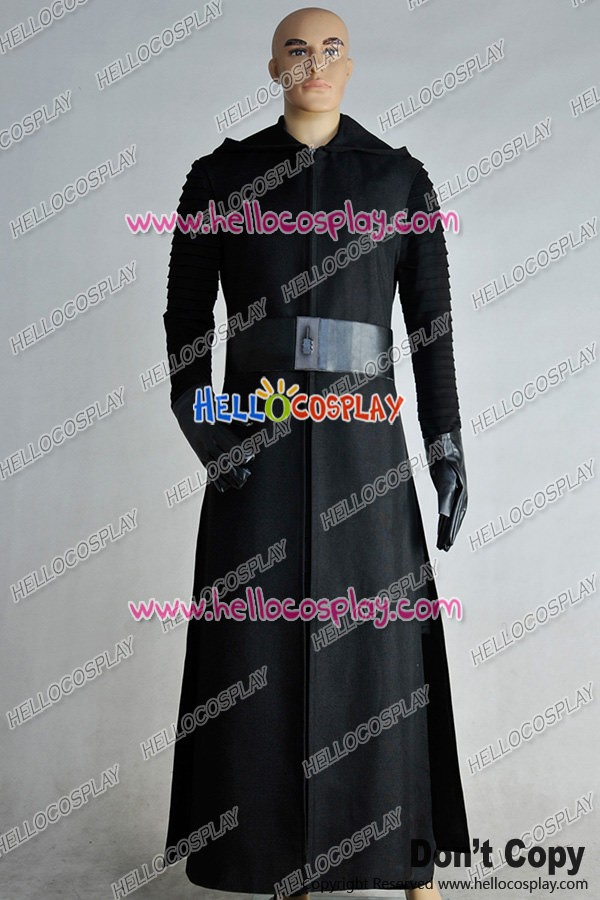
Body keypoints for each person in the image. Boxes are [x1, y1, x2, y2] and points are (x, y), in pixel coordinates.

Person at [163, 8, 469, 899]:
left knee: (380, 652)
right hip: (254, 447)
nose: (315, 63)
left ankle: (404, 856)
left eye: (332, 48)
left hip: (365, 451)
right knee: (254, 650)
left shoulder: (399, 180)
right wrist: (206, 424)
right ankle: (265, 856)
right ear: (273, 67)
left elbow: (432, 332)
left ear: (352, 64)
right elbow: (187, 325)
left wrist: (446, 447)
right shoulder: (220, 179)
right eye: (297, 49)